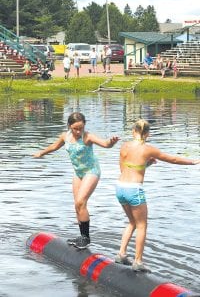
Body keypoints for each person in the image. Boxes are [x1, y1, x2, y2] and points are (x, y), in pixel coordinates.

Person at [115, 119, 200, 271]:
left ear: (133, 131)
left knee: (132, 222)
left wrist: (146, 164)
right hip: (134, 190)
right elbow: (172, 159)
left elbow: (124, 169)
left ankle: (121, 254)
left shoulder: (124, 146)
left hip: (120, 188)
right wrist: (192, 162)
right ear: (147, 134)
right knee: (142, 225)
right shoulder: (148, 149)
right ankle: (138, 262)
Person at [33, 112, 119, 249]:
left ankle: (86, 238)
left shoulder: (87, 136)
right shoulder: (65, 136)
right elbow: (54, 147)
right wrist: (41, 153)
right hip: (78, 173)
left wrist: (111, 142)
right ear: (69, 126)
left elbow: (105, 144)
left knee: (81, 202)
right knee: (77, 205)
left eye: (81, 128)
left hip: (91, 171)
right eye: (75, 128)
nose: (79, 131)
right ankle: (81, 236)